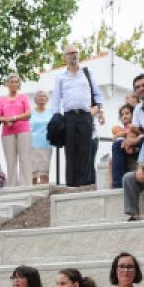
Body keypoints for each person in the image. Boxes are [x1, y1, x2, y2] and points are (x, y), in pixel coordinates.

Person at [50, 45, 101, 186]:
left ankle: (85, 185)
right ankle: (71, 185)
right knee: (70, 151)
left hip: (86, 115)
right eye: (69, 53)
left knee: (86, 151)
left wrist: (98, 107)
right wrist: (55, 117)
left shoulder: (87, 72)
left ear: (79, 54)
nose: (73, 55)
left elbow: (96, 93)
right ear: (65, 57)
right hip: (69, 117)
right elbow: (56, 99)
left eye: (75, 52)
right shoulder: (60, 77)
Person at [0, 73, 35, 186]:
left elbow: (28, 114)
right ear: (7, 84)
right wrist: (6, 120)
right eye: (11, 82)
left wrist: (15, 118)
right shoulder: (2, 100)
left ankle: (26, 185)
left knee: (25, 158)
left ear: (19, 84)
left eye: (16, 82)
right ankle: (12, 186)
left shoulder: (23, 98)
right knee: (10, 160)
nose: (14, 84)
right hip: (7, 132)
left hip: (24, 131)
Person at [108, 101, 143, 189]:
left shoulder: (136, 124)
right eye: (122, 114)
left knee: (118, 143)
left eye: (127, 113)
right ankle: (118, 185)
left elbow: (141, 134)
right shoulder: (122, 129)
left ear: (133, 114)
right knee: (117, 145)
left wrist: (122, 135)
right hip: (128, 148)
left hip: (139, 148)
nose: (124, 116)